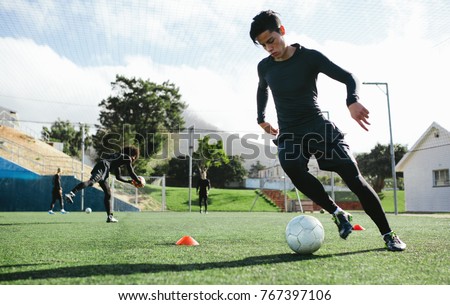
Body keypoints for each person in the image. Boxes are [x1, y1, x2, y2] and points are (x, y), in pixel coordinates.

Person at [249, 10, 406, 251]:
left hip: (318, 128)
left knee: (355, 180)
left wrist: (352, 100)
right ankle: (337, 212)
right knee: (291, 165)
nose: (269, 48)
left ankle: (389, 234)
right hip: (290, 133)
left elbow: (349, 76)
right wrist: (261, 118)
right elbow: (262, 89)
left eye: (271, 40)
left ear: (282, 31)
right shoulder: (265, 67)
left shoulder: (309, 57)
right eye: (263, 45)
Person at [65, 146, 142, 223]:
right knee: (91, 182)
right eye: (134, 156)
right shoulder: (127, 158)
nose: (134, 159)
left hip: (103, 168)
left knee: (108, 194)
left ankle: (110, 217)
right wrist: (138, 181)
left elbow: (118, 177)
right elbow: (131, 172)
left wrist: (129, 181)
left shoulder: (118, 158)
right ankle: (71, 193)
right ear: (131, 154)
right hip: (103, 168)